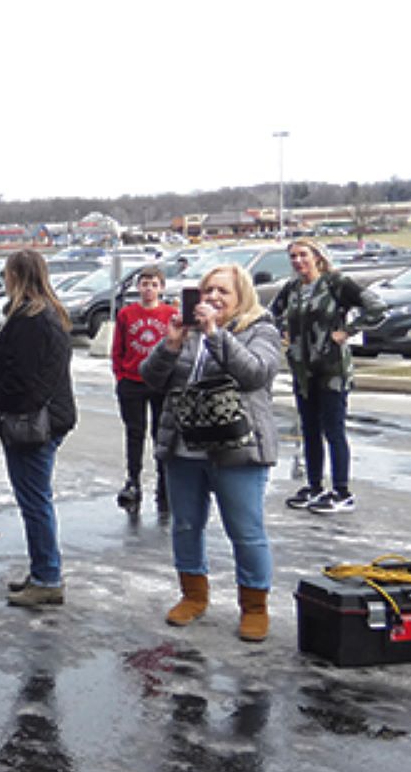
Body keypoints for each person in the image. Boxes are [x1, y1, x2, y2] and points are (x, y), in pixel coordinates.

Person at [141, 264, 282, 642]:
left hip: (238, 448)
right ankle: (192, 595)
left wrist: (216, 335)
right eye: (208, 292)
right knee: (186, 525)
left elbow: (256, 374)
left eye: (223, 292)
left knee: (245, 531)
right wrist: (170, 344)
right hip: (184, 448)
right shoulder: (185, 331)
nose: (213, 299)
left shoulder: (261, 329)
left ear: (242, 297)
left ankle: (254, 606)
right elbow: (150, 377)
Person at [0, 250, 76, 608]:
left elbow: (26, 380)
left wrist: (4, 405)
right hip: (46, 419)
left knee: (35, 502)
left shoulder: (31, 320)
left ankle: (47, 576)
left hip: (32, 425)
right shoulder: (47, 314)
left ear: (16, 276)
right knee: (36, 500)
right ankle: (42, 569)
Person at [267, 238, 385, 515]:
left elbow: (377, 307)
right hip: (302, 369)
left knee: (333, 430)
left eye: (303, 255)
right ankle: (314, 485)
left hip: (332, 369)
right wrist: (282, 330)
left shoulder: (336, 283)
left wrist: (349, 330)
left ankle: (342, 490)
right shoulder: (292, 289)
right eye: (293, 257)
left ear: (317, 257)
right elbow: (271, 313)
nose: (298, 261)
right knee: (309, 430)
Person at [111, 264, 178, 512]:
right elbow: (118, 348)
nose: (149, 289)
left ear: (161, 288)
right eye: (144, 284)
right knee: (134, 432)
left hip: (161, 383)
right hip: (132, 381)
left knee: (161, 434)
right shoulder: (127, 314)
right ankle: (133, 480)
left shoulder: (170, 313)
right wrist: (120, 374)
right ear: (138, 287)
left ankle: (164, 482)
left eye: (154, 284)